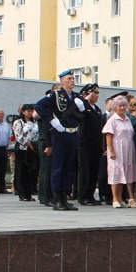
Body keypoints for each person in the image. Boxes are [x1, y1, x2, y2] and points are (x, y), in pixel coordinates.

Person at [34, 70, 83, 211]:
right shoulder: (55, 95)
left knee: (69, 167)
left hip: (72, 134)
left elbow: (82, 114)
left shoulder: (76, 96)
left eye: (73, 78)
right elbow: (39, 107)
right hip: (60, 134)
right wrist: (51, 120)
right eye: (69, 78)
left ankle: (65, 197)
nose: (72, 81)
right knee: (59, 167)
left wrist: (82, 106)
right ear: (62, 81)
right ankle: (57, 198)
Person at [103, 94, 136, 208]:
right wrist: (111, 151)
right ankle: (115, 199)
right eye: (120, 106)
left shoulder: (127, 119)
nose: (122, 108)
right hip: (117, 148)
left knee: (125, 173)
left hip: (128, 148)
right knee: (116, 173)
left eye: (124, 105)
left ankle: (120, 198)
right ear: (115, 107)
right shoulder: (112, 120)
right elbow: (108, 136)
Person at [77, 83, 104, 205]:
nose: (97, 95)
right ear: (87, 94)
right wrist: (84, 101)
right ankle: (83, 196)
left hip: (96, 143)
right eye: (95, 93)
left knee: (94, 170)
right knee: (85, 170)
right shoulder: (83, 106)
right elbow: (80, 115)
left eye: (98, 93)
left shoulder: (97, 109)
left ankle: (90, 194)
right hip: (85, 143)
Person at [10, 104, 39, 201]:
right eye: (27, 111)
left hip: (32, 149)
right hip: (22, 149)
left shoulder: (34, 122)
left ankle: (29, 193)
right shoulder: (18, 122)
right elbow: (18, 136)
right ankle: (22, 193)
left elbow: (36, 134)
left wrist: (34, 144)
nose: (29, 113)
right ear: (23, 112)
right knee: (21, 171)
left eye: (31, 111)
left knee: (31, 171)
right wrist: (27, 143)